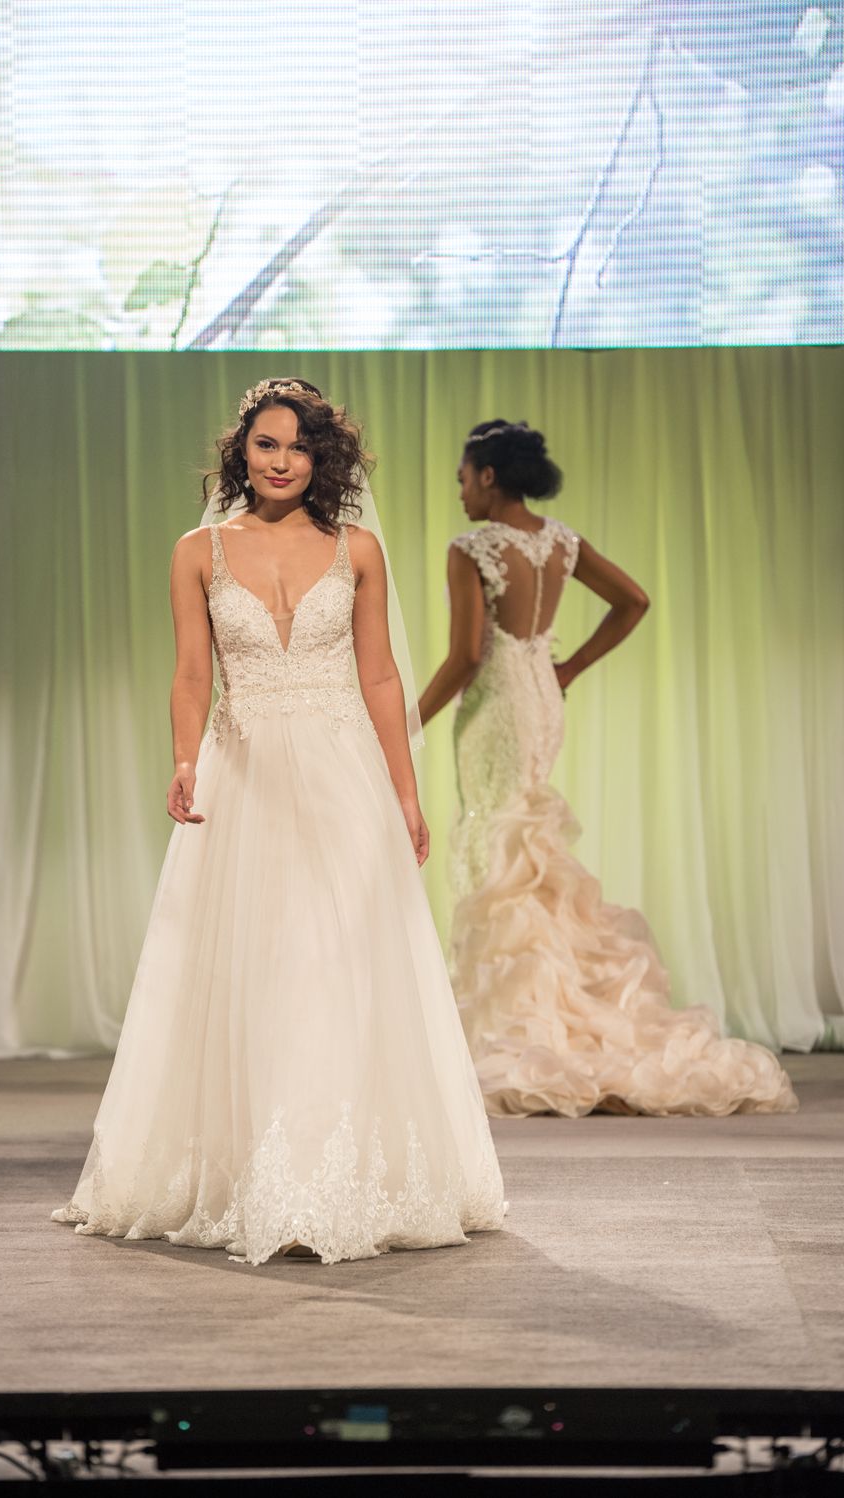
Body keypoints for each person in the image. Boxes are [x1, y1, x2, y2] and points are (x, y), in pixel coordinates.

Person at [53, 379, 505, 1263]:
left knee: (336, 966)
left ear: (322, 457)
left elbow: (379, 679)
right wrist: (185, 759)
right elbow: (192, 674)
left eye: (299, 447)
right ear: (242, 452)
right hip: (245, 776)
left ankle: (333, 1177)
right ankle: (255, 1175)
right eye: (267, 444)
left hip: (343, 780)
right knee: (257, 970)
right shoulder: (198, 551)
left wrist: (407, 795)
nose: (283, 461)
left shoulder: (358, 550)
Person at [418, 420, 797, 1118]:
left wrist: (411, 718)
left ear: (490, 476)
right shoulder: (560, 542)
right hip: (540, 698)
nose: (462, 490)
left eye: (464, 476)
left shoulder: (471, 547)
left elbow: (468, 656)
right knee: (528, 847)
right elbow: (636, 602)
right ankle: (550, 1003)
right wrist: (567, 668)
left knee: (498, 847)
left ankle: (520, 1020)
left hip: (498, 707)